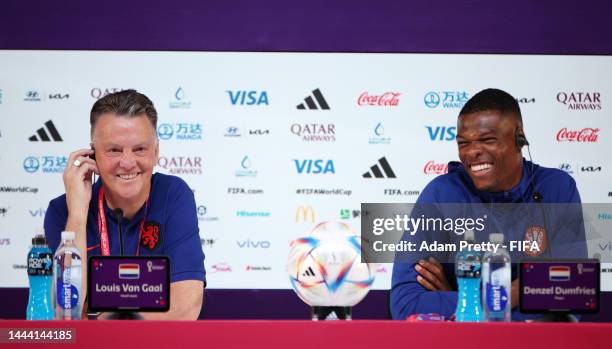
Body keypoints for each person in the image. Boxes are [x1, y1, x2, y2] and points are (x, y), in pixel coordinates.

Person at [390, 88, 587, 321]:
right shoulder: (441, 194)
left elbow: (572, 296)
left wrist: (465, 303)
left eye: (487, 140)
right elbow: (406, 305)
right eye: (463, 143)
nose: (472, 152)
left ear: (518, 137)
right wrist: (513, 293)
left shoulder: (556, 188)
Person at [44, 90, 205, 320]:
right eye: (114, 150)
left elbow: (185, 307)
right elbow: (68, 312)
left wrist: (107, 321)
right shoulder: (63, 210)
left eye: (139, 149)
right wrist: (78, 215)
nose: (128, 163)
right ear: (92, 155)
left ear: (157, 151)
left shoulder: (174, 194)